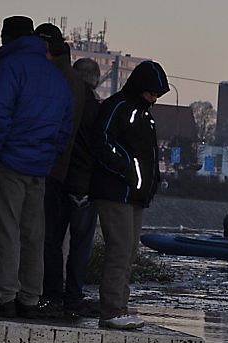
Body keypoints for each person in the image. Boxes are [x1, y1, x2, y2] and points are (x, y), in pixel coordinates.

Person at [0, 16, 73, 318]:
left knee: (5, 229)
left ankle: (4, 296)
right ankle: (30, 298)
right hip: (39, 167)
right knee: (33, 234)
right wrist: (48, 157)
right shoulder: (55, 75)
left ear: (7, 38)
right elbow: (64, 127)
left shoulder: (9, 69)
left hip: (8, 162)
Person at [90, 61, 169, 329]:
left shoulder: (144, 114)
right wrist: (126, 169)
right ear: (140, 87)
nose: (154, 98)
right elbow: (101, 142)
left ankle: (119, 306)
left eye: (157, 93)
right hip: (116, 191)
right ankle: (112, 309)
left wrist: (151, 180)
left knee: (129, 251)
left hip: (134, 195)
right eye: (151, 92)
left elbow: (148, 155)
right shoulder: (118, 107)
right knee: (120, 250)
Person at [35, 23, 88, 316]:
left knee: (47, 237)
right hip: (63, 172)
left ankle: (49, 294)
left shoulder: (56, 79)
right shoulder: (74, 82)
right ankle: (56, 294)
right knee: (55, 239)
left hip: (50, 169)